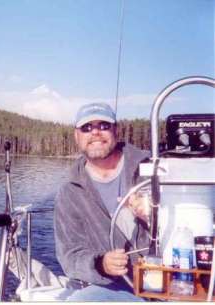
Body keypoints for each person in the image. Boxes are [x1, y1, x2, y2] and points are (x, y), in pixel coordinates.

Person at [54, 102, 150, 301]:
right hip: (116, 288)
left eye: (104, 126)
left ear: (116, 130)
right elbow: (70, 256)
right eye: (87, 128)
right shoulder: (69, 192)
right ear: (77, 136)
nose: (95, 133)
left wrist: (154, 217)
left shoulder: (152, 170)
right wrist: (101, 265)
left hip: (170, 280)